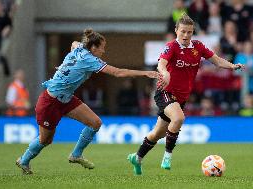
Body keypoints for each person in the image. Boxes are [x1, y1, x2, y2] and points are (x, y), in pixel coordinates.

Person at [15, 28, 160, 174]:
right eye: (102, 48)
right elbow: (118, 72)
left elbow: (73, 43)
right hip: (50, 102)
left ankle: (76, 155)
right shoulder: (89, 60)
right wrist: (145, 73)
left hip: (66, 98)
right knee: (45, 140)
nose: (103, 51)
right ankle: (24, 160)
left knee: (95, 122)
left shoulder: (80, 48)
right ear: (93, 47)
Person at [127, 14, 244, 175]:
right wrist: (164, 73)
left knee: (157, 133)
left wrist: (232, 66)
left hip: (181, 97)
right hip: (165, 92)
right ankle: (167, 157)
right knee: (179, 118)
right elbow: (161, 64)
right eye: (183, 31)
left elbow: (216, 60)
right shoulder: (172, 46)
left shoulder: (198, 47)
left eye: (189, 32)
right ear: (176, 31)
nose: (186, 35)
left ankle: (137, 157)